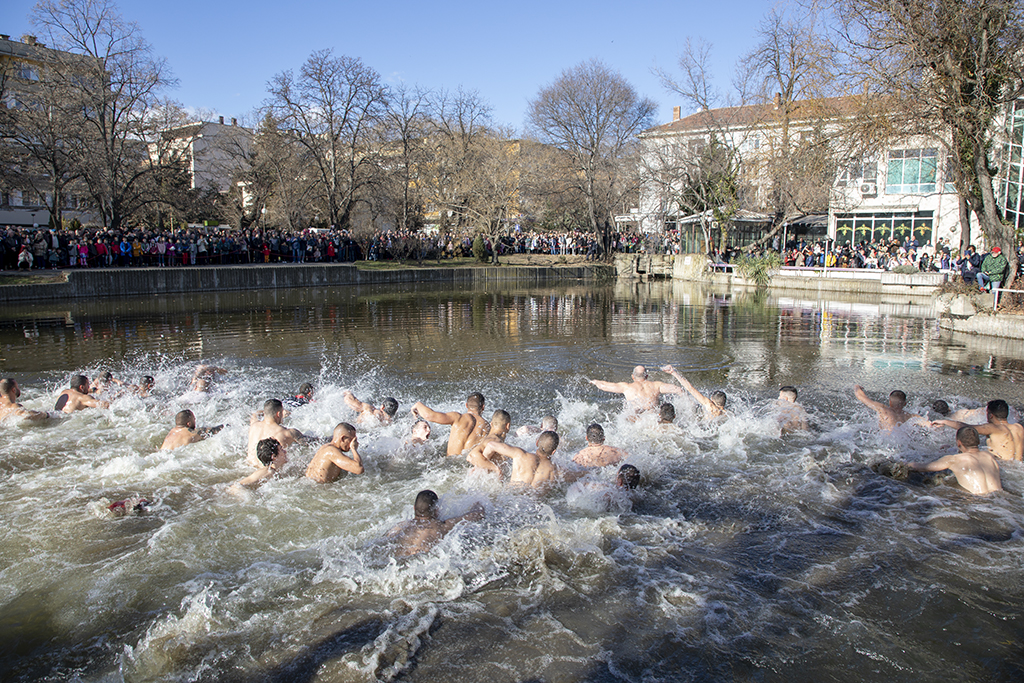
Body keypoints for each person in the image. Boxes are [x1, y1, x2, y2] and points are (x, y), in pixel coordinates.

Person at [387, 490, 485, 558]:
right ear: (436, 510)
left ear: (414, 508)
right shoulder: (443, 526)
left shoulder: (399, 527)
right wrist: (479, 500)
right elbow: (478, 514)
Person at [907, 426, 1002, 495]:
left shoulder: (954, 460)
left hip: (977, 502)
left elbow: (923, 467)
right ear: (978, 441)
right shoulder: (989, 456)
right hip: (998, 500)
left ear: (959, 443)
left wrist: (906, 464)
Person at [932, 399, 1023, 461]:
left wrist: (945, 421)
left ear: (990, 415)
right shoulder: (1019, 428)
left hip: (1003, 467)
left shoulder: (994, 428)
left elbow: (967, 427)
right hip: (1016, 466)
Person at [411, 392, 488, 456]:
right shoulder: (487, 427)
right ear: (483, 407)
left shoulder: (458, 418)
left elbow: (429, 416)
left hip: (449, 462)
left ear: (466, 405)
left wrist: (418, 405)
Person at [589, 365, 684, 413]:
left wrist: (595, 381)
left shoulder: (627, 387)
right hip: (653, 419)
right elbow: (678, 390)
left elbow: (604, 386)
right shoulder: (657, 385)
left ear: (632, 377)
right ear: (646, 376)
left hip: (637, 422)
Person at [483, 430, 561, 488]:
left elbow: (491, 445)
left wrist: (484, 467)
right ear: (553, 451)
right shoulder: (556, 470)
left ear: (537, 442)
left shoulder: (521, 455)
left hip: (510, 497)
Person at [247, 399, 305, 467]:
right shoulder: (287, 433)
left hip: (251, 467)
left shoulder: (253, 425)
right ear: (278, 414)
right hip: (273, 471)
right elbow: (311, 443)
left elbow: (255, 414)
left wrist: (269, 411)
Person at [660, 365, 727, 420]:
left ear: (711, 399)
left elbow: (690, 388)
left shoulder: (709, 405)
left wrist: (673, 373)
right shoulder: (726, 414)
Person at [466, 409, 513, 475]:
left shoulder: (488, 438)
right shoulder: (494, 440)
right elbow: (471, 456)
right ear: (508, 426)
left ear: (491, 424)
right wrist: (496, 469)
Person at [853, 385, 920, 431]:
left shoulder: (882, 409)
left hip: (885, 443)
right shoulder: (909, 416)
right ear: (905, 404)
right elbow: (924, 422)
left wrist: (857, 387)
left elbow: (861, 397)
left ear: (890, 402)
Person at [160, 410, 224, 450]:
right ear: (189, 424)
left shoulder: (172, 432)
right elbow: (214, 430)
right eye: (194, 419)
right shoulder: (192, 433)